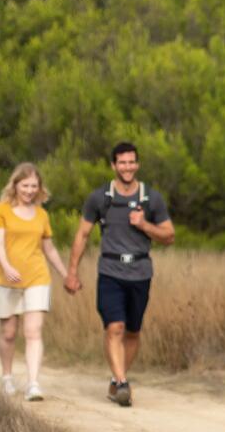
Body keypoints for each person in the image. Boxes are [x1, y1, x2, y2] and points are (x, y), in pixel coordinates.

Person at [67, 142, 174, 407]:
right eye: (122, 163)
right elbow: (82, 235)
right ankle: (123, 383)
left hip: (140, 271)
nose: (127, 167)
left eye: (131, 162)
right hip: (110, 271)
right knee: (114, 327)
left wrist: (144, 224)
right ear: (114, 165)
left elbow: (169, 236)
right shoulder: (99, 198)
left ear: (137, 165)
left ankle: (116, 380)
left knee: (133, 332)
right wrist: (72, 272)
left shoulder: (152, 198)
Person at [0, 162, 72, 401]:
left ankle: (33, 383)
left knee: (33, 331)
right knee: (9, 333)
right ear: (15, 185)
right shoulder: (1, 209)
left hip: (37, 277)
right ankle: (7, 377)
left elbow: (49, 248)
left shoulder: (42, 214)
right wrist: (7, 266)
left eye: (34, 186)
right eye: (25, 185)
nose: (29, 190)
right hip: (6, 279)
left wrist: (66, 274)